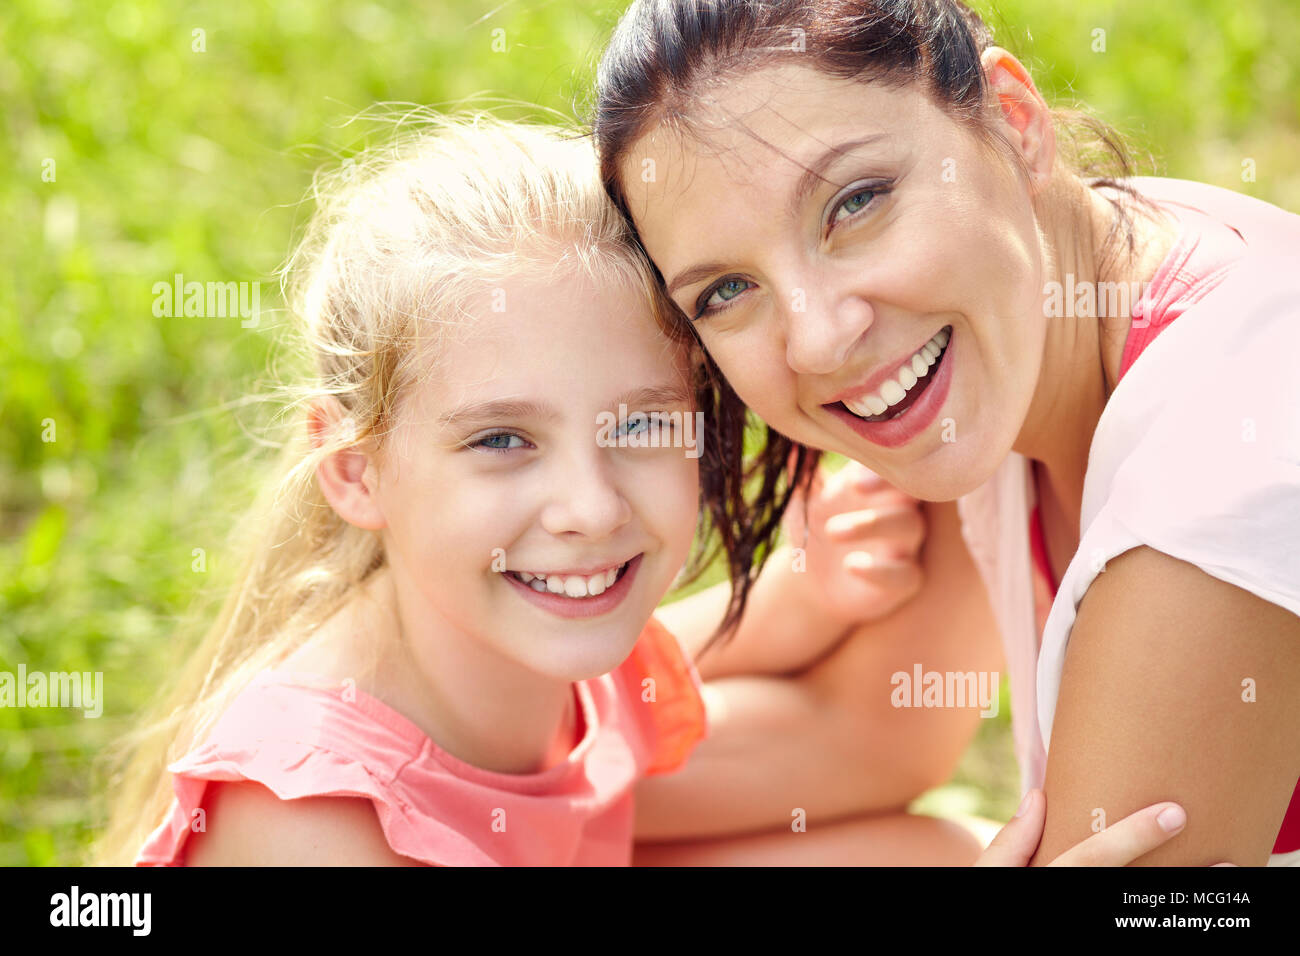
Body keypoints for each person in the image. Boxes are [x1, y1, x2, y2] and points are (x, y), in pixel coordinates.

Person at [90, 115, 959, 866]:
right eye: (502, 439)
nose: (590, 508)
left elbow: (652, 662)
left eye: (642, 426)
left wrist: (800, 596)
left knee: (945, 854)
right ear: (356, 471)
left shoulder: (510, 636)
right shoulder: (311, 825)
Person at [595, 0, 1300, 865]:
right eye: (727, 291)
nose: (818, 340)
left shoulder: (1222, 464)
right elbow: (866, 740)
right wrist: (469, 767)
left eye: (856, 202)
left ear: (1014, 119)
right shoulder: (995, 322)